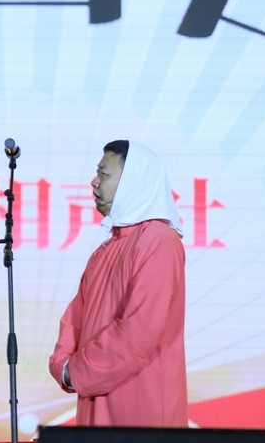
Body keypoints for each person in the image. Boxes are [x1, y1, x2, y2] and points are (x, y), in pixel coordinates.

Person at [49, 140, 187, 427]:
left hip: (140, 408)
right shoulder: (107, 248)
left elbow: (139, 332)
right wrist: (64, 367)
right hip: (94, 397)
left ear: (133, 182)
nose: (94, 182)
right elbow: (74, 320)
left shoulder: (160, 242)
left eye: (103, 173)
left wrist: (77, 372)